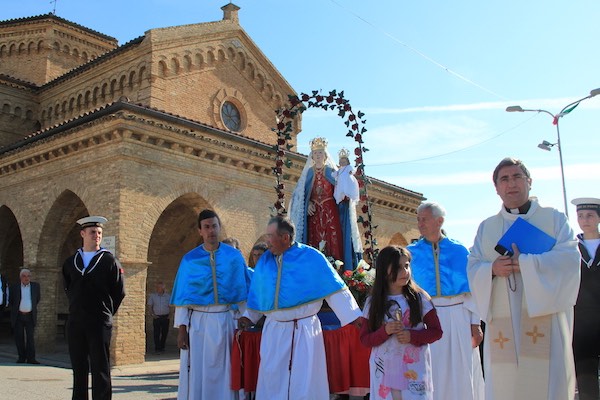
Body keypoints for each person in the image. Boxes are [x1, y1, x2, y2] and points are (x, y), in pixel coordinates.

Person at [467, 157, 580, 400]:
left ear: (529, 181)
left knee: (547, 383)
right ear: (496, 188)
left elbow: (570, 259)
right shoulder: (487, 228)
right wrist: (492, 269)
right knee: (506, 384)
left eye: (517, 177)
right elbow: (474, 266)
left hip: (545, 319)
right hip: (503, 327)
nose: (511, 184)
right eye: (504, 179)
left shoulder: (554, 219)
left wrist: (528, 264)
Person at [238, 215, 362, 400]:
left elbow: (334, 290)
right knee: (273, 377)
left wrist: (353, 316)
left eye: (270, 235)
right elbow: (259, 295)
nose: (266, 240)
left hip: (305, 332)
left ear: (285, 238)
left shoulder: (311, 257)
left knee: (305, 380)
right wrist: (249, 316)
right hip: (274, 332)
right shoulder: (265, 262)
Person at [170, 209, 251, 400]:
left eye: (214, 226)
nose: (211, 231)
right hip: (199, 325)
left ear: (219, 227)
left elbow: (244, 293)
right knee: (199, 369)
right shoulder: (190, 260)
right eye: (206, 227)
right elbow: (183, 299)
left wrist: (247, 318)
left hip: (227, 323)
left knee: (228, 369)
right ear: (200, 231)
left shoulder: (234, 257)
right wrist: (182, 329)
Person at [408, 201, 484, 400]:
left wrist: (475, 323)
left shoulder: (459, 251)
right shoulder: (411, 253)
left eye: (424, 219)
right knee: (430, 369)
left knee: (461, 368)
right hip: (425, 318)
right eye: (418, 220)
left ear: (439, 221)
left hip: (458, 317)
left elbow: (473, 291)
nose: (420, 224)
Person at [359, 245, 443, 400]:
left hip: (414, 370)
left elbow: (436, 331)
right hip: (384, 369)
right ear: (385, 270)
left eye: (407, 266)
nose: (405, 272)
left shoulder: (420, 299)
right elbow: (365, 339)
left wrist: (412, 336)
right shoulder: (373, 302)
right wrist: (385, 331)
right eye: (398, 267)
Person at [62, 216, 126, 400]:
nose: (96, 236)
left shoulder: (109, 261)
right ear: (83, 234)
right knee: (79, 368)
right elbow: (68, 288)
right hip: (76, 322)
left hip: (99, 323)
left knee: (100, 368)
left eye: (99, 233)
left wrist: (105, 312)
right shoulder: (71, 262)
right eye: (92, 232)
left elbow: (119, 291)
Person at [289, 137, 362, 270]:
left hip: (330, 212)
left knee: (333, 241)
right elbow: (300, 197)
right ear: (312, 156)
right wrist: (308, 204)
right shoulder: (308, 173)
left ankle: (337, 269)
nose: (318, 155)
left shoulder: (331, 172)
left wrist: (345, 194)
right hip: (314, 215)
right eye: (315, 153)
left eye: (320, 152)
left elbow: (341, 189)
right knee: (314, 242)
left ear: (325, 155)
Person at [571, 197, 600, 400]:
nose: (585, 220)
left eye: (590, 215)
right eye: (580, 216)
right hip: (580, 321)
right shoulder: (571, 249)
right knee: (586, 377)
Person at [9, 268, 41, 364]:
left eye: (28, 276)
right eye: (24, 276)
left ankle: (31, 358)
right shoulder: (15, 287)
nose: (26, 278)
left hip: (30, 316)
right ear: (20, 278)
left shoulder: (35, 286)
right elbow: (12, 301)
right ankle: (21, 357)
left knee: (30, 338)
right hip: (18, 316)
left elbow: (37, 299)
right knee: (19, 337)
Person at [148, 281, 171, 354]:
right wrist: (152, 314)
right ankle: (157, 348)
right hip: (156, 317)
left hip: (165, 317)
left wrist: (170, 315)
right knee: (156, 333)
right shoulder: (153, 296)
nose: (158, 288)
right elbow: (149, 306)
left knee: (164, 333)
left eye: (159, 287)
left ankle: (162, 347)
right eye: (157, 287)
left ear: (163, 288)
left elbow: (171, 306)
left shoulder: (168, 296)